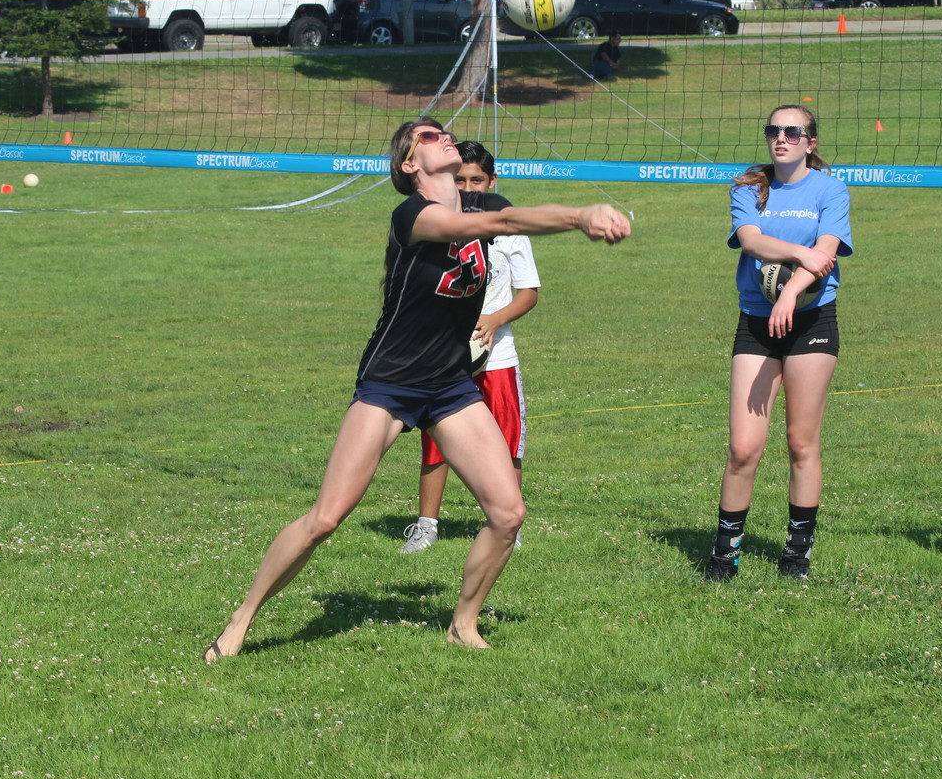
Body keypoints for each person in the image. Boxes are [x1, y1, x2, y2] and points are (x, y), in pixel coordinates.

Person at [203, 117, 630, 660]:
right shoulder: (411, 214)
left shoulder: (481, 203)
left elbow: (510, 216)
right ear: (410, 164)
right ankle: (241, 619)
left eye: (441, 130)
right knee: (326, 519)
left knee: (508, 514)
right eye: (427, 136)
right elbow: (496, 223)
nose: (442, 134)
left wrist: (578, 217)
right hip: (392, 381)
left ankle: (462, 625)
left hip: (450, 384)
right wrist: (578, 216)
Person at [706, 104, 852, 582]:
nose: (781, 138)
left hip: (811, 320)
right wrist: (798, 253)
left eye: (793, 131)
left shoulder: (830, 189)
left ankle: (796, 554)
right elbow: (751, 240)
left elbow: (826, 254)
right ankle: (724, 555)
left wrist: (790, 291)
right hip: (756, 322)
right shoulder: (750, 186)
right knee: (742, 448)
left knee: (801, 442)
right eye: (774, 130)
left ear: (811, 142)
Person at [402, 140, 541, 554]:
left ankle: (509, 527)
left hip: (497, 358)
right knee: (436, 441)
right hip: (444, 359)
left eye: (476, 180)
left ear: (492, 181)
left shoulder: (508, 229)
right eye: (459, 180)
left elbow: (529, 293)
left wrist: (496, 319)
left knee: (508, 442)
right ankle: (427, 526)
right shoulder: (437, 224)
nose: (468, 187)